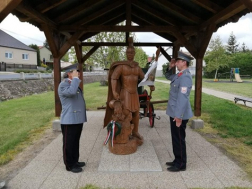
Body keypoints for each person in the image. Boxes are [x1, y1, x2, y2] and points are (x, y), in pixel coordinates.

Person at [104, 37, 155, 141]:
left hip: (134, 93)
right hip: (125, 92)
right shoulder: (121, 67)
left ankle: (135, 132)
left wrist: (150, 85)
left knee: (136, 113)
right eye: (128, 52)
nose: (130, 54)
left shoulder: (137, 67)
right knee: (126, 113)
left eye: (132, 52)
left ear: (134, 53)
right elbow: (114, 78)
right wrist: (114, 91)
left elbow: (144, 78)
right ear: (126, 53)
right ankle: (124, 133)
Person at [165, 51, 193, 172]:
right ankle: (177, 159)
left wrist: (179, 116)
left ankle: (181, 164)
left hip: (179, 114)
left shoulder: (186, 76)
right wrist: (170, 67)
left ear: (184, 62)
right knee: (175, 138)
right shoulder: (179, 75)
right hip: (174, 112)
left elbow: (183, 98)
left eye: (177, 61)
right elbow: (167, 76)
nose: (176, 63)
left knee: (179, 139)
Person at [58, 64, 87, 173]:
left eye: (78, 72)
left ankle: (75, 161)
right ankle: (69, 165)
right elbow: (71, 92)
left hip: (77, 119)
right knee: (69, 143)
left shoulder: (73, 84)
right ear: (69, 73)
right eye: (76, 72)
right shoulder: (63, 85)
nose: (78, 73)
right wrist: (75, 79)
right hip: (69, 120)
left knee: (75, 141)